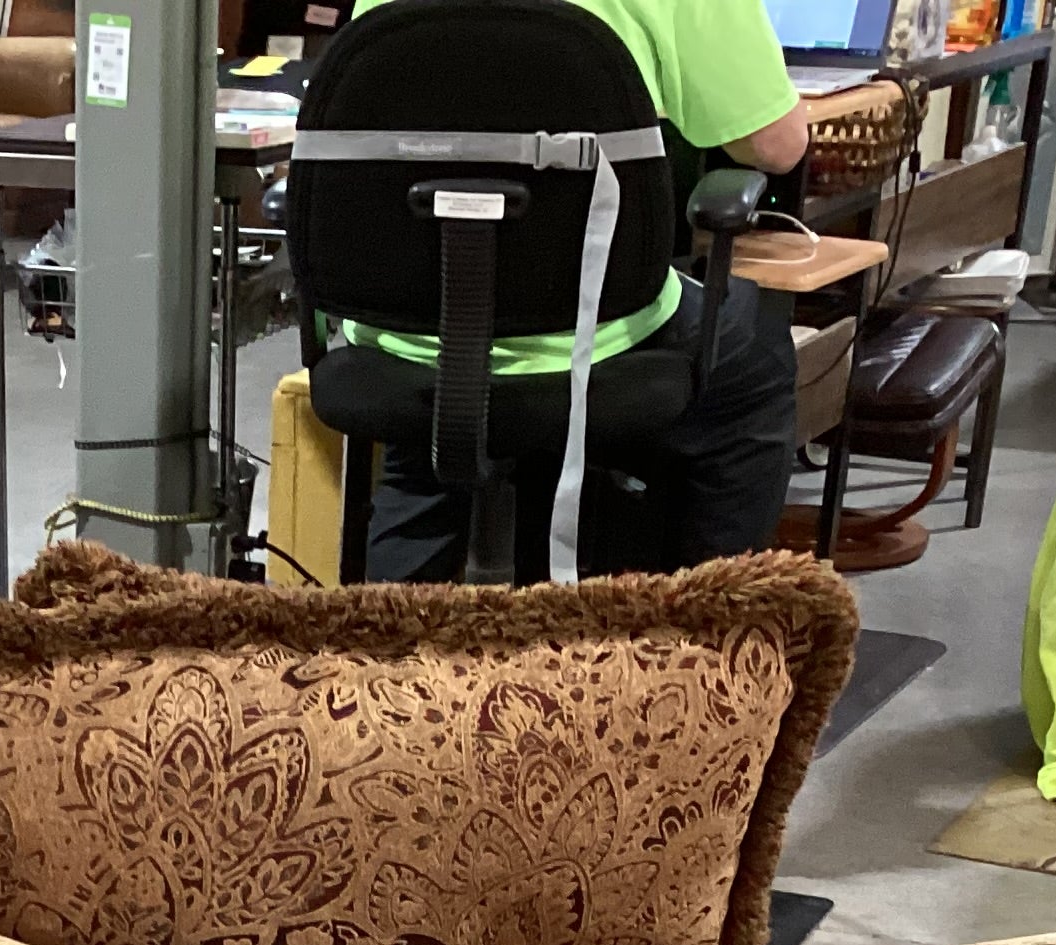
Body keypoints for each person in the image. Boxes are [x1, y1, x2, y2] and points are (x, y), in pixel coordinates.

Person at [347, 0, 813, 581]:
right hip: (597, 337)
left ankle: (386, 625)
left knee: (425, 441)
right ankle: (707, 620)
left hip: (415, 329)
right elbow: (777, 146)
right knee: (756, 358)